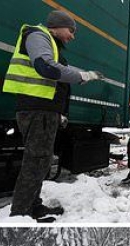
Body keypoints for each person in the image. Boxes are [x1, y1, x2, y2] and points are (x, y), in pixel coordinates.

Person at [3, 10, 103, 221]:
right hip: (36, 109)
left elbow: (63, 68)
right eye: (71, 30)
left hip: (44, 111)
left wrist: (87, 75)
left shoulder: (51, 45)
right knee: (36, 161)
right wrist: (81, 75)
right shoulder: (37, 35)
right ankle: (21, 214)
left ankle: (34, 205)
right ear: (57, 25)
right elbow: (46, 67)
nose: (72, 36)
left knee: (41, 161)